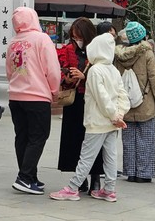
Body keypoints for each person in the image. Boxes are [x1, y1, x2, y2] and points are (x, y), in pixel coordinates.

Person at [49, 32, 130, 202]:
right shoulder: (113, 70)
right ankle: (109, 189)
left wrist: (114, 115)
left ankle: (72, 188)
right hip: (112, 122)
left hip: (97, 121)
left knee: (86, 156)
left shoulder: (95, 70)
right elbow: (122, 95)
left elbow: (101, 98)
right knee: (110, 156)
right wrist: (119, 114)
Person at [6, 6, 61, 195]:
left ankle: (30, 176)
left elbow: (9, 71)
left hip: (15, 96)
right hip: (37, 96)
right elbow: (52, 68)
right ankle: (24, 177)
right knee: (38, 137)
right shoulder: (42, 39)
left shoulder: (13, 42)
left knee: (22, 137)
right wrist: (54, 90)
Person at [114, 21, 155, 183]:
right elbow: (154, 80)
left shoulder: (118, 55)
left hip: (126, 104)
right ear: (143, 36)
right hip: (146, 103)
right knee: (146, 139)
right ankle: (143, 173)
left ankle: (130, 171)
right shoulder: (147, 53)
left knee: (129, 140)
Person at [56, 17, 100, 192]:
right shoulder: (67, 50)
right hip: (74, 102)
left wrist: (85, 77)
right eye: (74, 37)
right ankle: (79, 178)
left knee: (94, 139)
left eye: (79, 36)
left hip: (93, 101)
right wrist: (67, 78)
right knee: (74, 140)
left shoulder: (97, 51)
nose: (77, 40)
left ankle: (96, 176)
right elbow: (61, 71)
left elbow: (105, 74)